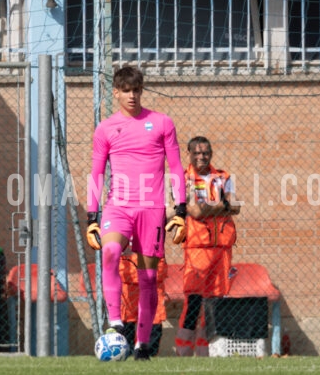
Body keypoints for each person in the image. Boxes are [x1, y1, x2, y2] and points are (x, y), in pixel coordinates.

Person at [86, 65, 186, 360]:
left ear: (142, 91)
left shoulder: (162, 122)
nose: (132, 95)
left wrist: (180, 210)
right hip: (118, 207)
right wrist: (92, 216)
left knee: (147, 277)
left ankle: (142, 344)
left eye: (136, 90)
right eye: (126, 90)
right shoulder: (105, 128)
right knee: (110, 252)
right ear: (115, 92)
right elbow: (96, 173)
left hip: (152, 210)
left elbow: (176, 166)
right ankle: (116, 323)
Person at [174, 136, 240, 357]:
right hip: (197, 248)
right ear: (189, 154)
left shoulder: (223, 177)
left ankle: (205, 354)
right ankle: (183, 354)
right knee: (193, 302)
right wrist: (222, 205)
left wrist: (209, 206)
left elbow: (236, 206)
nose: (201, 156)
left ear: (211, 153)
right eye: (197, 153)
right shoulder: (182, 179)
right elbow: (194, 211)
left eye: (206, 153)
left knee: (214, 303)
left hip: (221, 249)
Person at [119, 251, 168, 357]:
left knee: (154, 316)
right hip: (129, 275)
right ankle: (127, 353)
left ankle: (148, 353)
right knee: (127, 317)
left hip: (153, 274)